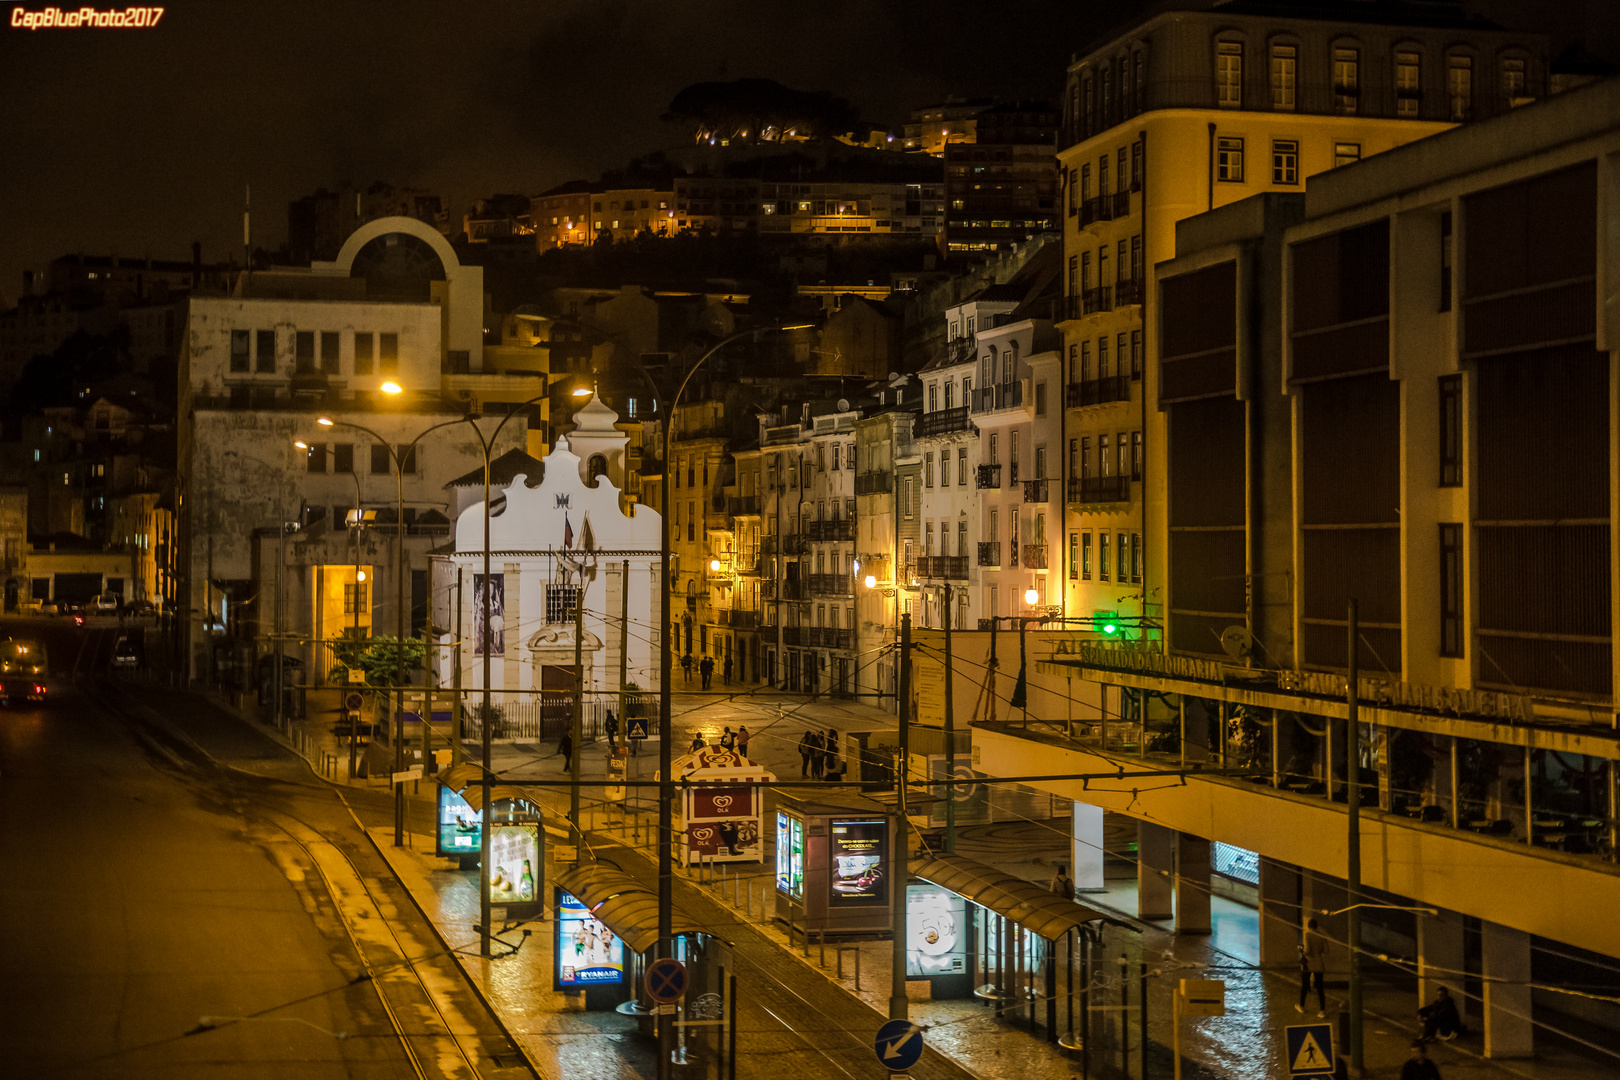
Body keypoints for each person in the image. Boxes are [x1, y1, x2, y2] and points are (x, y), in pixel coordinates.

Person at [1297, 917, 1328, 1017]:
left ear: (1309, 927)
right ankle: (1322, 1010)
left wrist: (1301, 949)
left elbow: (1308, 951)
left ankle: (1301, 1006)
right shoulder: (1322, 936)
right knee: (1320, 987)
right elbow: (1327, 950)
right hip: (1319, 962)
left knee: (1305, 985)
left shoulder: (1308, 935)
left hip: (1309, 963)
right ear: (1316, 926)